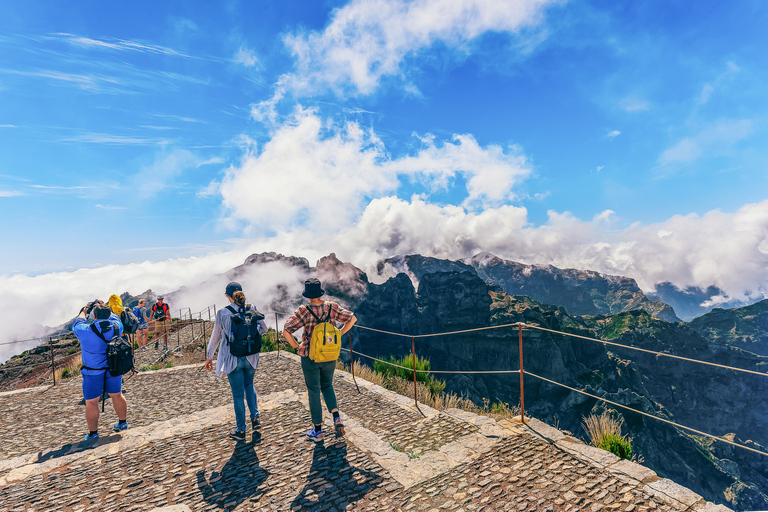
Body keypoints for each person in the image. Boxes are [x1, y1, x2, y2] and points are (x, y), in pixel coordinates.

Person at [282, 278, 357, 442]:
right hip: (330, 355)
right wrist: (339, 333)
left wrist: (297, 347)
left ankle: (317, 431)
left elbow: (286, 331)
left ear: (308, 294)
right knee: (328, 385)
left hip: (310, 357)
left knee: (314, 390)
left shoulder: (304, 310)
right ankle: (336, 418)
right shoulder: (331, 307)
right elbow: (352, 318)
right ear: (320, 292)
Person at [204, 282, 267, 441]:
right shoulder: (252, 308)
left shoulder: (222, 313)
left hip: (232, 358)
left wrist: (209, 357)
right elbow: (264, 329)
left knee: (238, 394)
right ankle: (256, 418)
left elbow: (216, 338)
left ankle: (240, 430)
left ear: (228, 296)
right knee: (249, 385)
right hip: (251, 356)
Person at [72, 300, 128, 441]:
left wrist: (84, 310)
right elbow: (115, 316)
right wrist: (105, 306)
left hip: (93, 372)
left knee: (91, 402)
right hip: (113, 368)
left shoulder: (85, 331)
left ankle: (93, 433)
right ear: (108, 314)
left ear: (94, 317)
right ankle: (122, 423)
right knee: (117, 395)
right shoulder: (117, 327)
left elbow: (78, 322)